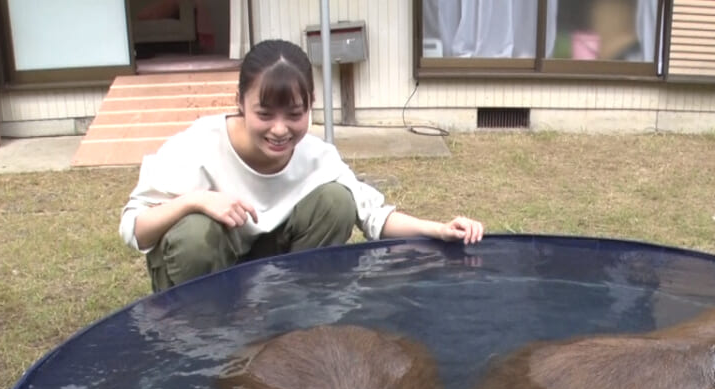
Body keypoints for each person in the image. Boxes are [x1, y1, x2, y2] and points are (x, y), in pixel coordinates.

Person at [119, 39, 485, 292]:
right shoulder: (197, 146)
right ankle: (198, 334)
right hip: (203, 273)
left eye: (295, 114)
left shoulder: (316, 155)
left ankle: (297, 315)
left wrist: (440, 230)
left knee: (336, 201)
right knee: (195, 233)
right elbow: (135, 229)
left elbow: (374, 216)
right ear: (240, 103)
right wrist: (195, 200)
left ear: (310, 104)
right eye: (264, 114)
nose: (280, 130)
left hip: (270, 272)